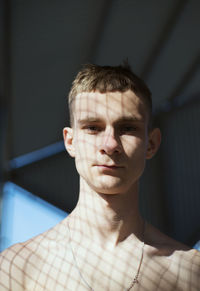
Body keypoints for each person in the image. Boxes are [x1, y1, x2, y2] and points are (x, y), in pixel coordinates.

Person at [0, 63, 200, 291]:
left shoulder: (189, 272)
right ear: (70, 141)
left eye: (127, 128)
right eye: (93, 128)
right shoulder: (16, 268)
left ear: (151, 143)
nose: (110, 144)